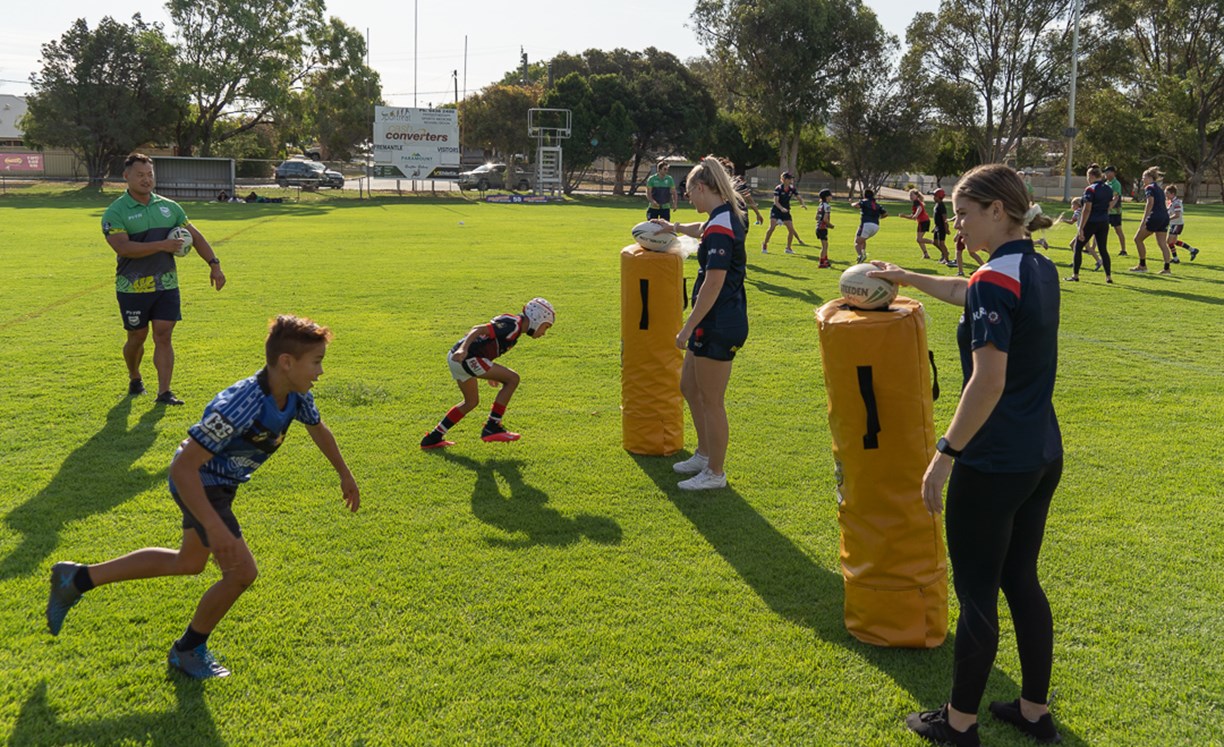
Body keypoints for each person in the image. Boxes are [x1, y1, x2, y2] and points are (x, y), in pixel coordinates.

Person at [45, 315, 361, 679]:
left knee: (189, 562)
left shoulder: (296, 395)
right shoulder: (241, 403)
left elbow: (318, 429)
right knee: (242, 573)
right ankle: (188, 649)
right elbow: (184, 468)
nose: (321, 371)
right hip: (199, 482)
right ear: (287, 362)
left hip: (220, 484)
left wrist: (344, 473)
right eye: (316, 362)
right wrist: (213, 524)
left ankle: (76, 579)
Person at [869, 164, 1064, 747]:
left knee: (978, 593)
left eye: (963, 214)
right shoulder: (1037, 265)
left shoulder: (994, 279)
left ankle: (958, 723)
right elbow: (966, 290)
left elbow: (988, 381)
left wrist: (945, 453)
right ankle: (1033, 712)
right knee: (1021, 579)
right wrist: (907, 276)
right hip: (1042, 454)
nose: (956, 225)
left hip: (994, 462)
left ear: (997, 211)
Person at [103, 153, 226, 405]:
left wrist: (214, 265)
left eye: (150, 174)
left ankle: (164, 392)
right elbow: (123, 248)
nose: (146, 179)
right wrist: (163, 245)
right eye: (140, 175)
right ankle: (135, 376)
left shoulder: (170, 207)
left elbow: (196, 237)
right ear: (126, 176)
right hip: (132, 287)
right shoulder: (115, 212)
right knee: (137, 337)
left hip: (166, 284)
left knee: (163, 335)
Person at [654, 156, 747, 490]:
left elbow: (714, 282)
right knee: (689, 387)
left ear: (703, 187)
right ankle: (704, 454)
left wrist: (687, 326)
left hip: (719, 321)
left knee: (711, 399)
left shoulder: (722, 225)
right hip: (713, 319)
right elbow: (701, 230)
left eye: (689, 190)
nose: (687, 196)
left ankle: (715, 473)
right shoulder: (722, 216)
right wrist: (676, 227)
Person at [420, 298, 555, 448]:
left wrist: (489, 372)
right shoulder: (513, 325)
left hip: (457, 359)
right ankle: (492, 426)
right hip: (466, 357)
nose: (544, 333)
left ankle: (433, 438)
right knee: (513, 379)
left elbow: (486, 343)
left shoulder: (515, 331)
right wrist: (463, 349)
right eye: (546, 327)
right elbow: (478, 329)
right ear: (537, 318)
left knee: (471, 402)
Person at [1067, 165, 1114, 284]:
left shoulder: (1090, 189)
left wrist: (1081, 228)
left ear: (1092, 176)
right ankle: (1108, 276)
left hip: (1091, 221)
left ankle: (1075, 275)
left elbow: (1087, 209)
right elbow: (1110, 205)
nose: (1087, 179)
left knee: (1078, 247)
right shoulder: (1108, 188)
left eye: (1088, 176)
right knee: (1103, 249)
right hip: (1104, 221)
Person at [1129, 166, 1172, 275]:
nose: (1142, 179)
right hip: (1164, 217)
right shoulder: (1159, 189)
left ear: (1149, 177)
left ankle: (1142, 266)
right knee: (1162, 243)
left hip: (1155, 217)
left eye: (1144, 177)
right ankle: (1167, 269)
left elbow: (1150, 203)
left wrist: (1143, 220)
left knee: (1138, 239)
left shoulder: (1149, 187)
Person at [761, 171, 806, 254]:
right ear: (784, 179)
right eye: (789, 178)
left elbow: (798, 196)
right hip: (776, 210)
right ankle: (765, 244)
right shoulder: (778, 188)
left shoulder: (792, 188)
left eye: (791, 178)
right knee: (772, 227)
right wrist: (781, 208)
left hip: (786, 211)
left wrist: (802, 203)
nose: (791, 180)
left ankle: (788, 248)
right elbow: (776, 202)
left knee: (791, 230)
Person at [1054, 198, 1102, 269]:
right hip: (1085, 230)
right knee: (1076, 245)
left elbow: (1072, 222)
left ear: (1078, 205)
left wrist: (1063, 220)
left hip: (1082, 231)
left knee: (1082, 246)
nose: (1072, 206)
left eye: (1073, 205)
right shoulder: (1082, 210)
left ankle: (1098, 261)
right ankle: (1077, 261)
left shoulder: (1077, 212)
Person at [1164, 185, 1199, 262]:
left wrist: (1167, 219)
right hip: (1174, 224)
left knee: (1169, 241)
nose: (1166, 195)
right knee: (1173, 242)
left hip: (1177, 224)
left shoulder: (1176, 203)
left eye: (1167, 193)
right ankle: (1192, 250)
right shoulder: (1171, 202)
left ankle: (1176, 259)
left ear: (1173, 194)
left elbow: (1177, 215)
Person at [852, 188, 888, 263]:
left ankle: (860, 255)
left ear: (864, 195)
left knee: (857, 242)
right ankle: (863, 253)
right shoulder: (877, 204)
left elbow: (856, 205)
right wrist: (878, 218)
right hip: (876, 226)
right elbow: (885, 214)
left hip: (866, 224)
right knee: (863, 240)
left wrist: (851, 203)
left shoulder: (864, 201)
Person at [902, 189, 936, 260]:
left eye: (912, 195)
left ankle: (935, 242)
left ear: (916, 195)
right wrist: (904, 216)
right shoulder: (916, 203)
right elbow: (912, 217)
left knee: (919, 239)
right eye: (910, 195)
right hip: (923, 222)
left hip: (924, 221)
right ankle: (926, 254)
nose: (910, 196)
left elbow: (919, 209)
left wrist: (916, 215)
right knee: (919, 239)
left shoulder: (916, 202)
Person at [1105, 165, 1128, 256]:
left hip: (1115, 211)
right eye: (1106, 172)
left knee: (1118, 230)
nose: (1106, 174)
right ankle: (1093, 248)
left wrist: (1109, 207)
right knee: (1100, 229)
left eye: (1108, 172)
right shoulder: (1106, 183)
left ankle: (1123, 250)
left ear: (1113, 173)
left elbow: (1116, 197)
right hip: (1106, 211)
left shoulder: (1116, 184)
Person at [931, 188, 952, 265]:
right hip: (937, 227)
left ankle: (946, 259)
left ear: (939, 197)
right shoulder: (937, 204)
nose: (933, 197)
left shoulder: (941, 206)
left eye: (935, 196)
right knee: (935, 242)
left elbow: (944, 218)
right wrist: (934, 227)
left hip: (941, 227)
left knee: (941, 243)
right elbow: (937, 218)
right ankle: (945, 253)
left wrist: (946, 228)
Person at [815, 189, 835, 268]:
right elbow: (825, 219)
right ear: (827, 197)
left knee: (825, 245)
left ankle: (825, 261)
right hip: (822, 228)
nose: (831, 197)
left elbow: (816, 217)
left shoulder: (820, 205)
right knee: (824, 246)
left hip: (818, 227)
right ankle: (822, 262)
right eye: (830, 195)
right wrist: (830, 225)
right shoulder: (827, 206)